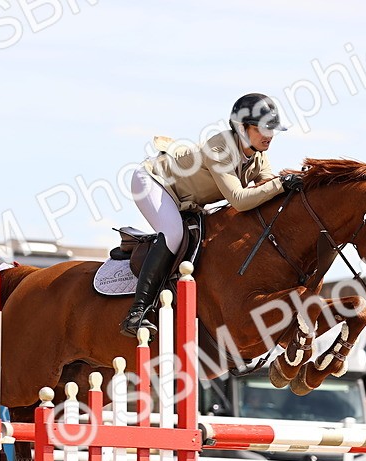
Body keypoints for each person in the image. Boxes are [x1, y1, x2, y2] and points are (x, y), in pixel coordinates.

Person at [120, 92, 304, 337]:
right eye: (263, 129)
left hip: (189, 200)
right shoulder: (219, 148)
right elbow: (239, 200)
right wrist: (282, 184)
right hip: (154, 182)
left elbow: (266, 188)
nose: (269, 136)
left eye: (272, 130)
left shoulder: (258, 157)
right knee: (173, 234)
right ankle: (137, 312)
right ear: (241, 128)